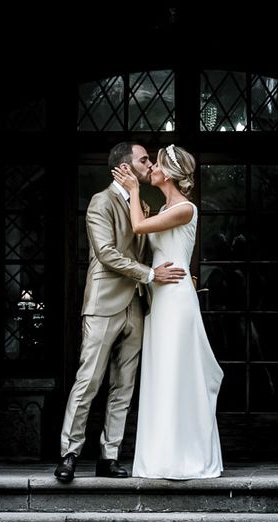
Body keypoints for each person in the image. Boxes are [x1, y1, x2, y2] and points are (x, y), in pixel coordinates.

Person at [55, 142, 187, 482]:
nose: (149, 164)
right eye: (144, 159)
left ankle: (109, 455)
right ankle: (69, 453)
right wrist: (149, 274)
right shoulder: (102, 202)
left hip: (136, 305)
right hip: (104, 303)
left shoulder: (143, 204)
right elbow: (106, 253)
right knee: (89, 380)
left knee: (123, 387)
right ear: (125, 166)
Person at [112, 144, 224, 479]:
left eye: (158, 165)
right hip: (161, 298)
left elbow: (138, 228)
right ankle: (160, 455)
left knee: (176, 372)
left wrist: (132, 190)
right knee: (161, 373)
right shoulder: (164, 207)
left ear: (170, 174)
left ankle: (183, 456)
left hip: (176, 300)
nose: (152, 170)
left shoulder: (184, 208)